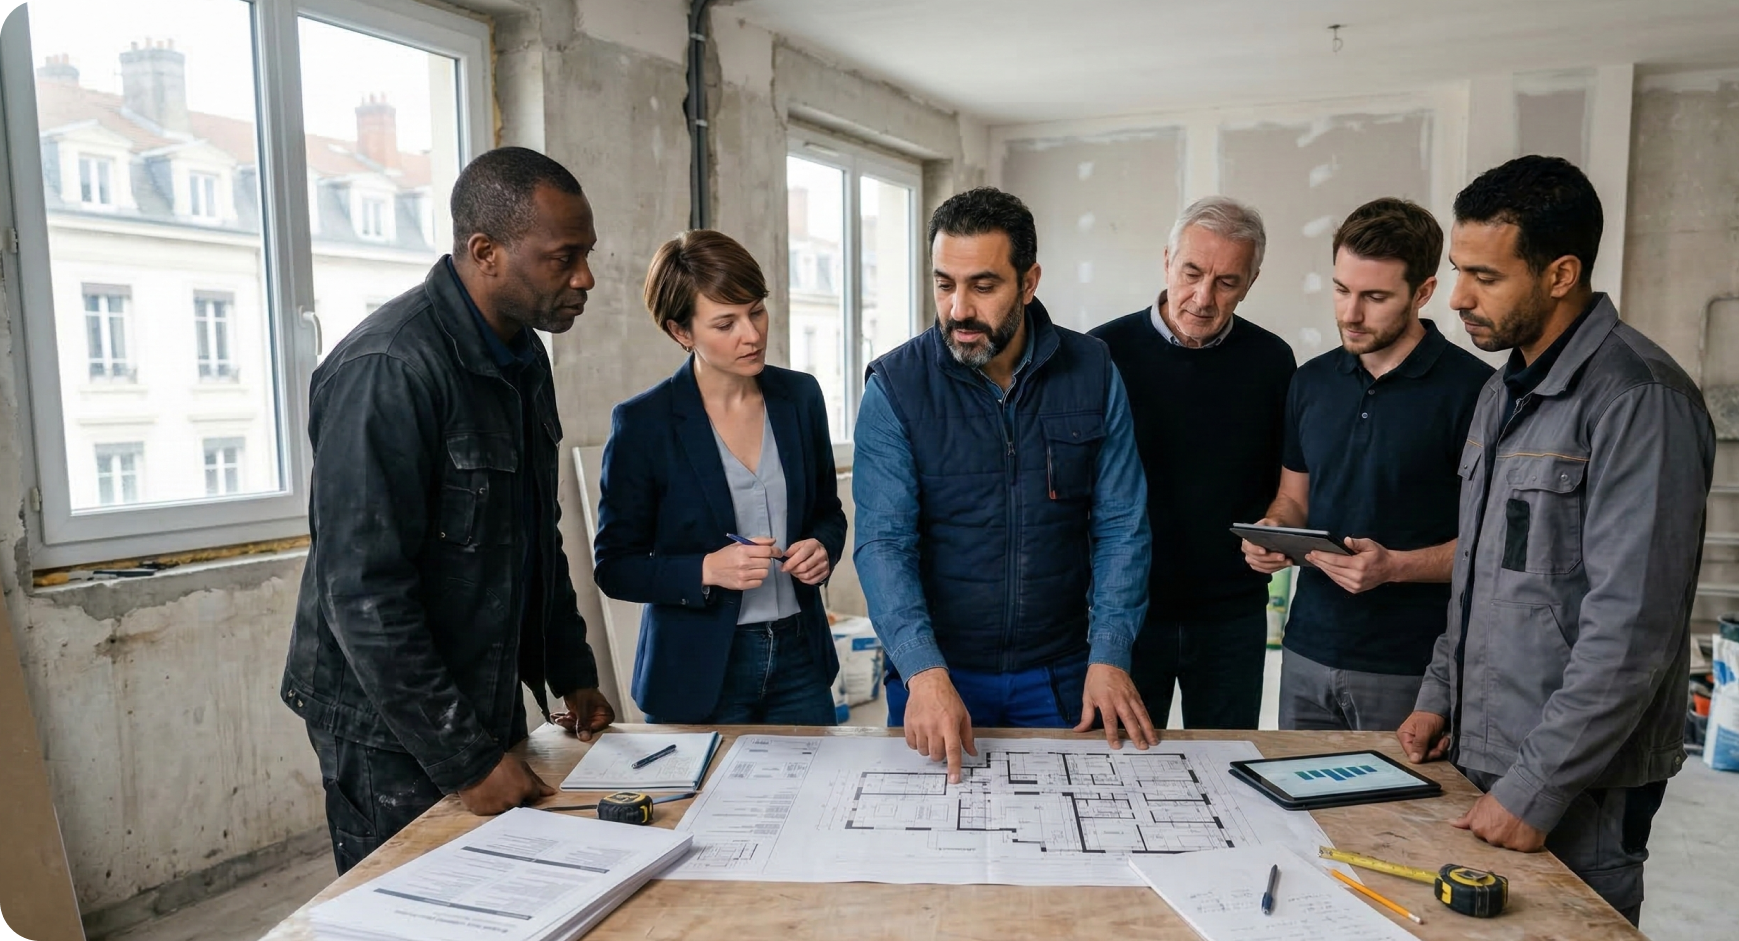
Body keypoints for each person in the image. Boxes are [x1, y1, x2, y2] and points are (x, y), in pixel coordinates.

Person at [1397, 156, 1714, 925]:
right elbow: (1480, 571)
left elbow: (1632, 631)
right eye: (1457, 271)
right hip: (1486, 756)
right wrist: (1441, 695)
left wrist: (1537, 785)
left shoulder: (1640, 399)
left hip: (1578, 783)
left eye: (1485, 276)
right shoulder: (1500, 391)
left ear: (1561, 273)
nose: (1460, 298)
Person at [281, 147, 613, 874]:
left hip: (480, 690)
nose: (585, 277)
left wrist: (569, 665)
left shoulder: (524, 359)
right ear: (485, 252)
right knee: (414, 908)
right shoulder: (388, 369)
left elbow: (535, 529)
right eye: (564, 258)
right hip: (390, 726)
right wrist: (468, 759)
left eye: (587, 254)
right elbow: (362, 595)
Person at [853, 186, 1158, 782]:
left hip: (1064, 675)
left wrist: (1111, 652)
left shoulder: (1093, 370)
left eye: (983, 285)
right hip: (938, 678)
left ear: (1029, 281)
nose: (959, 308)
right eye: (945, 284)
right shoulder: (894, 386)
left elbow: (1122, 523)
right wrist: (921, 670)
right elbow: (884, 543)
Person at [1242, 198, 1492, 732]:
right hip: (1305, 650)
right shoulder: (1309, 383)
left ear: (1423, 292)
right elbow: (1294, 497)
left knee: (1396, 818)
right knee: (1299, 816)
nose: (1350, 314)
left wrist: (1394, 567)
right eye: (1341, 290)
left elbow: (1491, 547)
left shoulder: (1475, 393)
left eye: (1375, 297)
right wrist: (1274, 530)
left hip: (1414, 670)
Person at [593, 230, 847, 725]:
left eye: (756, 311)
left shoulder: (800, 398)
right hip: (697, 670)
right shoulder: (644, 423)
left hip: (800, 659)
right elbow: (615, 566)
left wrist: (822, 546)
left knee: (817, 801)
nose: (751, 334)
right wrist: (706, 569)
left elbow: (827, 512)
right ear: (681, 332)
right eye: (725, 323)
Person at [1089, 196, 1296, 730]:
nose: (1203, 298)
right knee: (1122, 770)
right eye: (1192, 272)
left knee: (1230, 767)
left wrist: (1278, 527)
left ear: (1251, 281)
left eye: (1227, 281)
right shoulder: (1101, 353)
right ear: (1166, 261)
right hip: (1125, 616)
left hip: (1232, 615)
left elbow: (1287, 483)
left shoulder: (1273, 362)